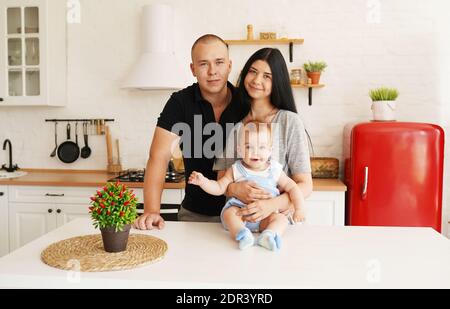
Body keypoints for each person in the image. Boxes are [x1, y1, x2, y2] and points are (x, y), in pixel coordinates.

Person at [134, 34, 249, 230]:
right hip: (196, 215)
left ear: (229, 65)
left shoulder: (246, 101)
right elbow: (158, 157)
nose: (212, 71)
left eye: (219, 62)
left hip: (245, 214)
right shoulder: (180, 102)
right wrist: (152, 211)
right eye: (203, 64)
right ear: (193, 69)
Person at [213, 47, 313, 226]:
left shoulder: (289, 121)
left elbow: (305, 185)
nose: (257, 80)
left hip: (277, 223)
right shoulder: (234, 122)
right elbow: (222, 180)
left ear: (278, 82)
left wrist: (271, 204)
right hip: (241, 223)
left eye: (267, 76)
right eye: (253, 71)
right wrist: (235, 189)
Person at [189, 121, 305, 251]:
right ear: (240, 150)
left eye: (262, 147)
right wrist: (203, 182)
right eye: (249, 147)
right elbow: (219, 187)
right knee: (229, 213)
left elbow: (293, 188)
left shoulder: (275, 170)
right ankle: (241, 234)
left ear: (270, 150)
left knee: (281, 219)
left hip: (266, 217)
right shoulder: (236, 169)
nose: (255, 152)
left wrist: (299, 208)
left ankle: (269, 235)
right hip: (240, 214)